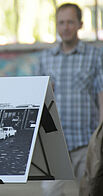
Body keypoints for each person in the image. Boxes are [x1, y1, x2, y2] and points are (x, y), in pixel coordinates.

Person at [37, 3, 103, 196]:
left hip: (86, 141)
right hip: (55, 142)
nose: (65, 27)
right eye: (61, 22)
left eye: (70, 22)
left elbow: (101, 93)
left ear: (80, 24)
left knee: (90, 191)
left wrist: (100, 136)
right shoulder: (45, 58)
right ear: (56, 25)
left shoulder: (95, 56)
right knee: (50, 192)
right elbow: (40, 100)